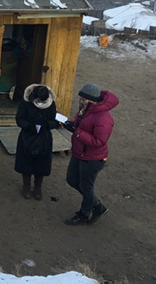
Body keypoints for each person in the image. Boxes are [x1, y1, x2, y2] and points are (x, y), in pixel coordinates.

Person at [61, 82, 119, 226]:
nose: (80, 102)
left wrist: (77, 132)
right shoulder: (87, 109)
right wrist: (72, 124)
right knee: (71, 179)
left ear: (93, 100)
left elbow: (99, 141)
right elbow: (82, 124)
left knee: (87, 187)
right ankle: (98, 206)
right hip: (80, 153)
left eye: (83, 99)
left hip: (93, 158)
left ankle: (84, 214)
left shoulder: (103, 118)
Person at [14, 84, 59, 200]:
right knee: (26, 162)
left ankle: (38, 187)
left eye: (42, 101)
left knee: (41, 163)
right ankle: (26, 186)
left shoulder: (51, 104)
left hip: (44, 137)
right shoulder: (25, 103)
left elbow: (55, 121)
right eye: (38, 100)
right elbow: (19, 119)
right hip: (27, 136)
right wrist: (29, 126)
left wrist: (47, 125)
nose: (40, 103)